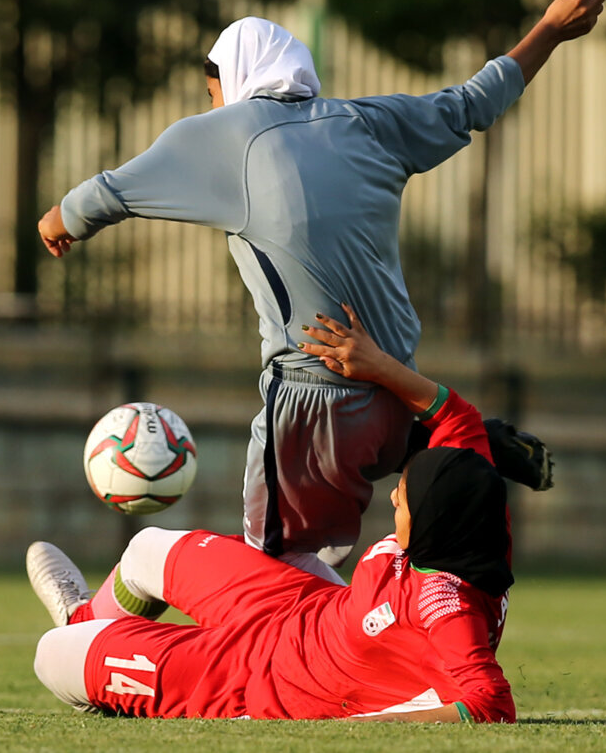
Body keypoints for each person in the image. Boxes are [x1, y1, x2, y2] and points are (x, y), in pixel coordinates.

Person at [36, 0, 600, 581]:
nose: (213, 108)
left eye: (213, 92)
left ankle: (131, 637)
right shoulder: (369, 122)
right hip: (393, 385)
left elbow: (111, 192)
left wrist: (59, 220)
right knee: (298, 556)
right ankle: (445, 444)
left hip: (314, 401)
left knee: (267, 577)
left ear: (235, 81)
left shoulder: (224, 135)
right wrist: (548, 29)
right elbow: (473, 103)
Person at [26, 304, 518, 722]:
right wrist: (375, 364)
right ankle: (83, 617)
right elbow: (458, 417)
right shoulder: (473, 504)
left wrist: (374, 719)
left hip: (262, 678)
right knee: (145, 549)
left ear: (434, 520)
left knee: (51, 656)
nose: (392, 498)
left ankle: (93, 643)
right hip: (299, 603)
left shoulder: (444, 603)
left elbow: (490, 702)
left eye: (403, 496)